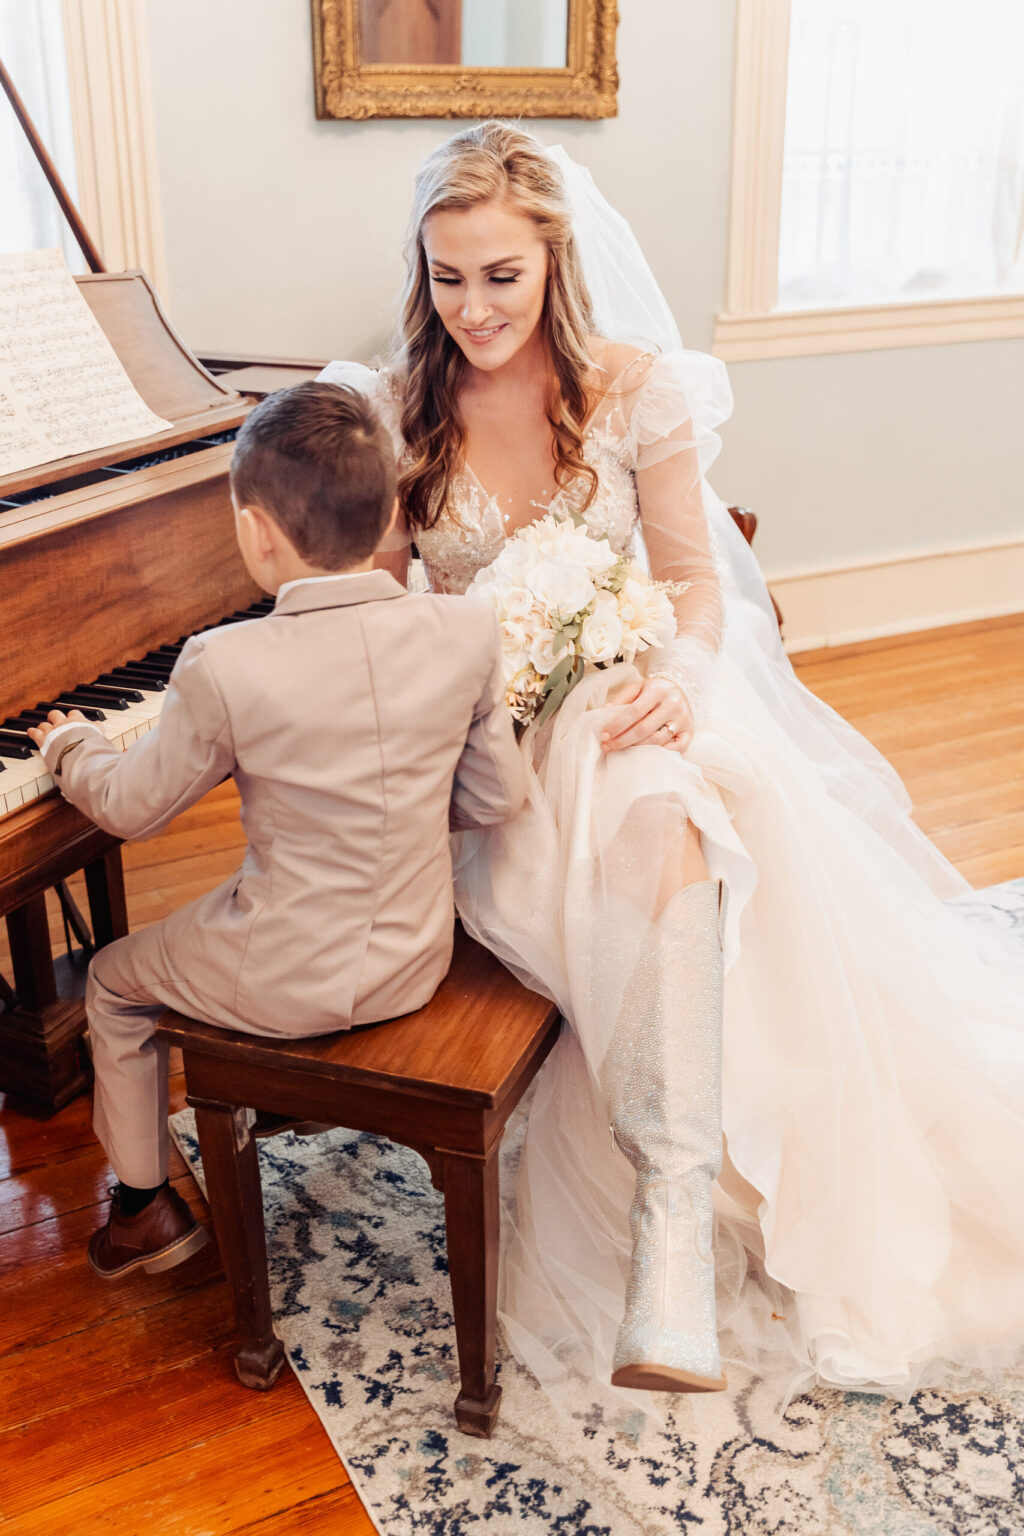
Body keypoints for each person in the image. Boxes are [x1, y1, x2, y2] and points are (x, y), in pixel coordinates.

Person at [320, 122, 1024, 1412]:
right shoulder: (393, 412)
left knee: (661, 801)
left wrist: (673, 679)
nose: (473, 307)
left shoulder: (639, 390)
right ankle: (673, 1216)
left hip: (636, 702)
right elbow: (377, 619)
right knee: (632, 793)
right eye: (447, 276)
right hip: (485, 760)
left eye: (502, 276)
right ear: (419, 273)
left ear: (554, 264)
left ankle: (673, 1228)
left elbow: (694, 584)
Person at [28, 380, 526, 1281]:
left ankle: (141, 1211)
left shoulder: (228, 662)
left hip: (285, 976)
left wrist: (70, 746)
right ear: (386, 515)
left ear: (256, 530)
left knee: (111, 980)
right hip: (415, 958)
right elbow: (494, 800)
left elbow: (133, 806)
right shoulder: (464, 628)